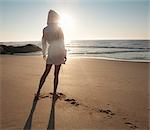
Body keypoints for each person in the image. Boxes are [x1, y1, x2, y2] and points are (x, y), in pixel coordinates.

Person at [35, 10, 67, 99]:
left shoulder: (45, 29)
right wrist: (65, 54)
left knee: (45, 72)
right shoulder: (59, 28)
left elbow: (44, 42)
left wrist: (44, 53)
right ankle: (54, 93)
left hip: (51, 51)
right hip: (59, 51)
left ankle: (38, 92)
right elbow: (62, 42)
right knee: (56, 74)